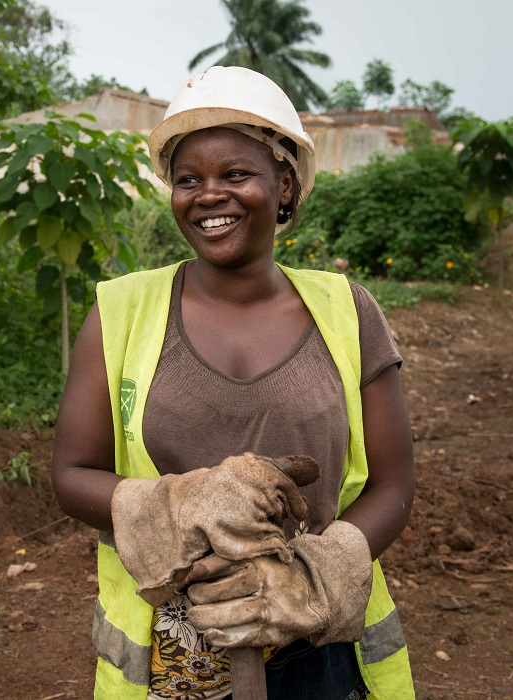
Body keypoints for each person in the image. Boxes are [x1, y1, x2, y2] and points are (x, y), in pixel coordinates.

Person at [51, 67, 416, 700]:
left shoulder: (346, 310)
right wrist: (183, 504)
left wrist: (323, 569)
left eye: (236, 174)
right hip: (173, 657)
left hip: (318, 643)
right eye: (188, 180)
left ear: (285, 186)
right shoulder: (122, 311)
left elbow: (394, 483)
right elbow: (72, 473)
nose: (207, 195)